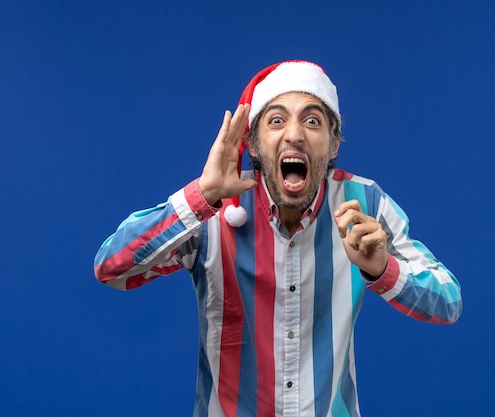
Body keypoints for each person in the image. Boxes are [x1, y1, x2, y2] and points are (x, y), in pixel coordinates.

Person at [94, 60, 462, 417]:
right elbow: (112, 268)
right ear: (253, 145)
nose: (295, 134)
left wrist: (382, 270)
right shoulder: (214, 211)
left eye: (313, 121)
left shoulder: (365, 206)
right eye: (276, 120)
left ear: (333, 146)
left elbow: (448, 302)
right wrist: (202, 195)